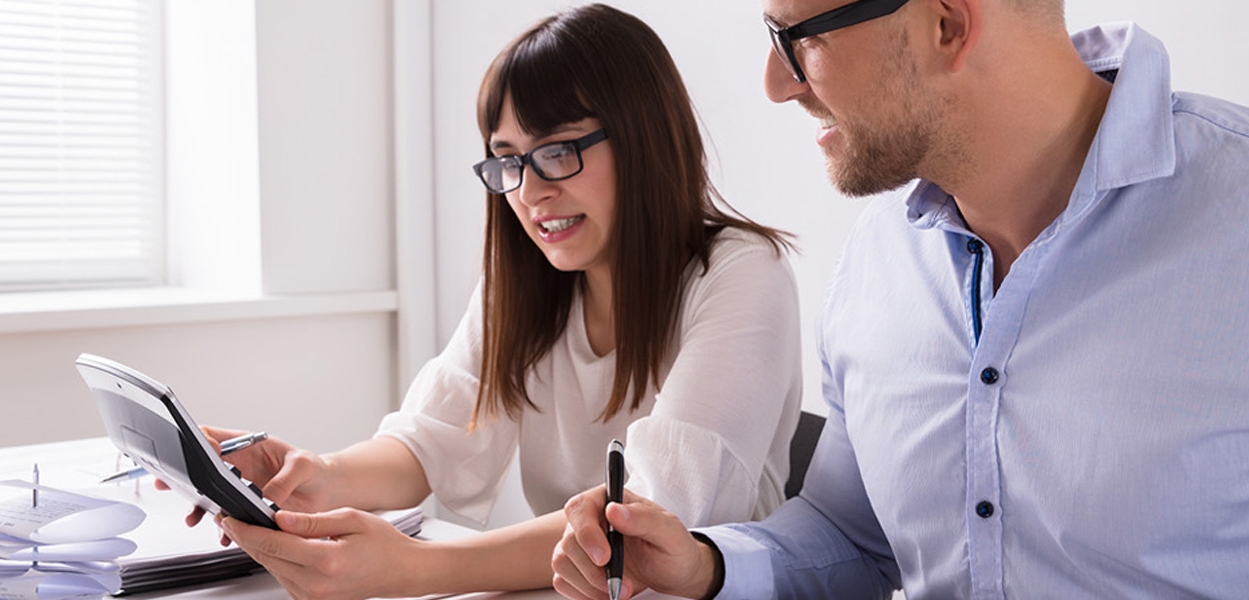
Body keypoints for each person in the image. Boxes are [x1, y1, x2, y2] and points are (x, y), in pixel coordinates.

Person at [552, 0, 1249, 598]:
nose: (779, 83)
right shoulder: (879, 264)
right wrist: (701, 569)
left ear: (946, 24)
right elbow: (855, 541)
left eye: (799, 35)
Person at [196, 4, 804, 598]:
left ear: (646, 138)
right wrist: (313, 477)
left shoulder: (743, 273)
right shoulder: (530, 282)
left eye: (560, 151)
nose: (532, 191)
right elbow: (431, 441)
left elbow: (649, 514)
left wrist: (413, 568)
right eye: (509, 160)